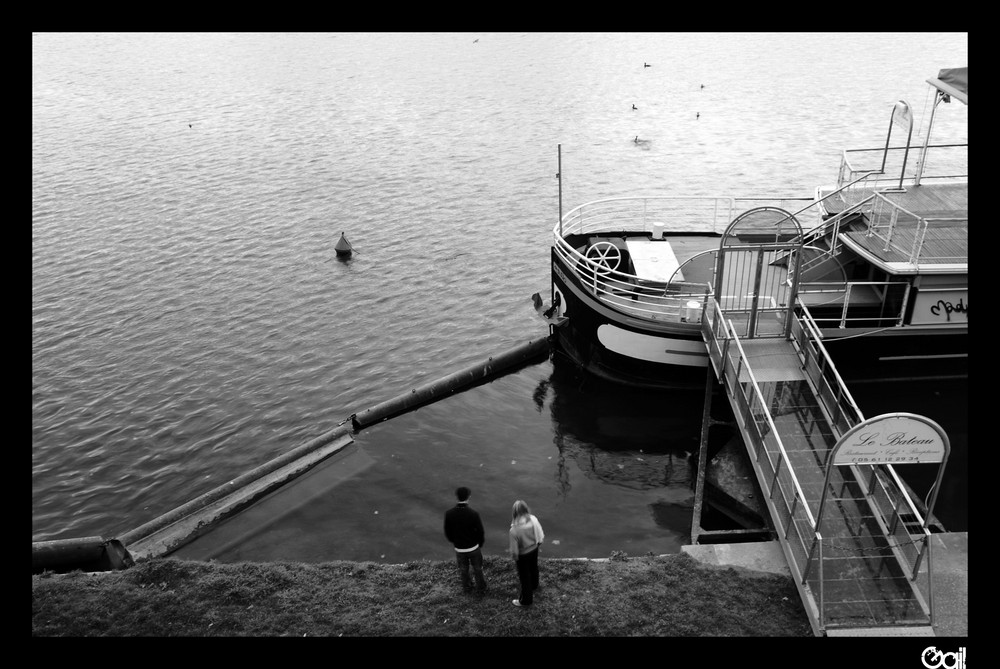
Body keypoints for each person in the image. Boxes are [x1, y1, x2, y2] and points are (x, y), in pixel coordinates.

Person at [443, 486, 487, 594]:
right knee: (478, 569)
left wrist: (454, 541)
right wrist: (479, 543)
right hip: (473, 547)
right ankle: (481, 588)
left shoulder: (449, 514)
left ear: (457, 497)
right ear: (469, 497)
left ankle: (467, 588)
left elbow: (447, 531)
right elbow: (480, 531)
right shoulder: (473, 514)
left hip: (459, 548)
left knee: (463, 569)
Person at [508, 499, 544, 607]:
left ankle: (526, 601)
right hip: (534, 549)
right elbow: (540, 534)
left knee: (524, 577)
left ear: (514, 513)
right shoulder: (533, 520)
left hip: (523, 555)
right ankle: (534, 585)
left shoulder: (514, 530)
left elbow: (514, 551)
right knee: (534, 567)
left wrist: (515, 558)